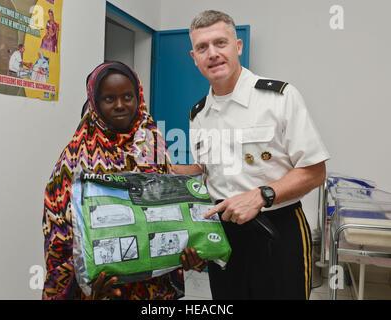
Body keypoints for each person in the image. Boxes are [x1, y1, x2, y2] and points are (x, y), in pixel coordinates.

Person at [173, 10, 330, 299]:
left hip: (277, 229)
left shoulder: (279, 98)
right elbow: (207, 170)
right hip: (222, 234)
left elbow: (315, 171)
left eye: (221, 43)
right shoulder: (198, 114)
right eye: (202, 47)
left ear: (238, 46)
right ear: (194, 57)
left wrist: (261, 195)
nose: (212, 53)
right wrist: (169, 173)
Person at [43, 61, 202, 300]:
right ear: (95, 103)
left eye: (127, 96)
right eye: (109, 98)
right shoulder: (75, 157)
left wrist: (186, 251)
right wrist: (85, 285)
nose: (120, 105)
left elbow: (170, 209)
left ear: (138, 97)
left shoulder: (152, 141)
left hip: (154, 289)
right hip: (104, 291)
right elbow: (61, 234)